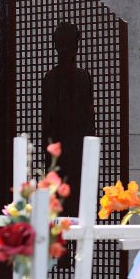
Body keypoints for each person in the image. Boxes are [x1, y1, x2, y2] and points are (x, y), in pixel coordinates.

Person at [42, 22, 95, 217]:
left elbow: (46, 126)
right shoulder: (80, 78)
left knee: (63, 210)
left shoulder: (54, 79)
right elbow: (89, 124)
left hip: (63, 155)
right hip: (74, 155)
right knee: (73, 208)